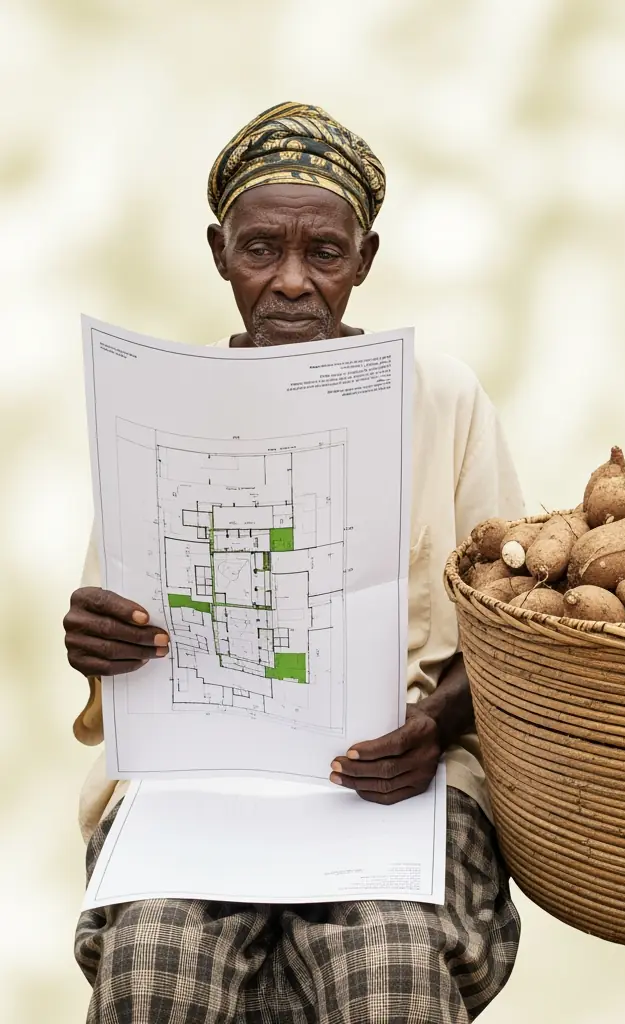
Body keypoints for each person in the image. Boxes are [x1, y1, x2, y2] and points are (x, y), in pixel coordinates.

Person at [64, 101, 524, 1024]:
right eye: (259, 249)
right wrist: (95, 642)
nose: (290, 284)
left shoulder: (441, 398)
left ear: (365, 261)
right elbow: (114, 635)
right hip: (194, 783)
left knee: (389, 967)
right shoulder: (162, 401)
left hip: (398, 775)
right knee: (152, 960)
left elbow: (519, 625)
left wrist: (433, 725)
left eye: (324, 254)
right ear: (217, 250)